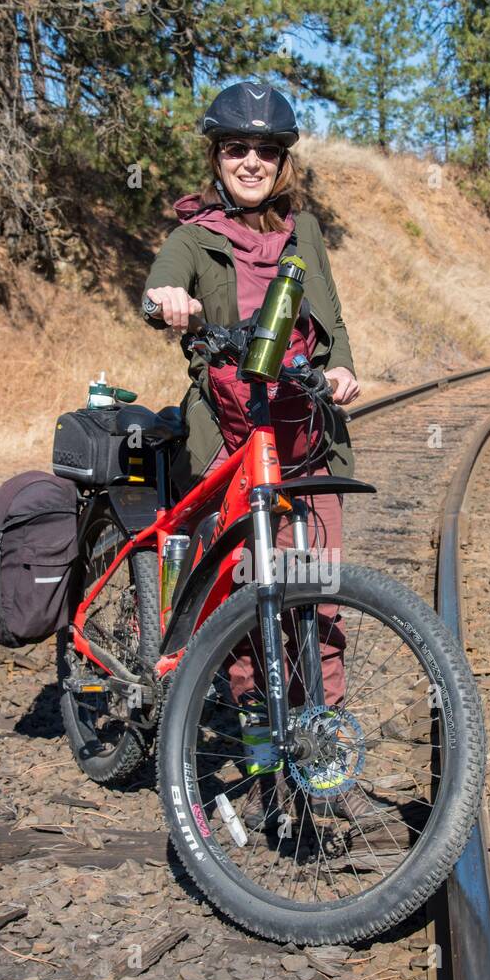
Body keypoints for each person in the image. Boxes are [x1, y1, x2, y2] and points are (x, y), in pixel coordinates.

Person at [143, 81, 360, 801]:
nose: (250, 161)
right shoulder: (193, 235)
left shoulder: (304, 233)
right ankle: (260, 743)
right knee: (242, 601)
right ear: (217, 155)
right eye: (236, 148)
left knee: (318, 597)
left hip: (303, 436)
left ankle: (319, 736)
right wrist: (167, 302)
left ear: (281, 161)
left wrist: (345, 369)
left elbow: (329, 317)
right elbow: (159, 286)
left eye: (265, 151)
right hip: (232, 437)